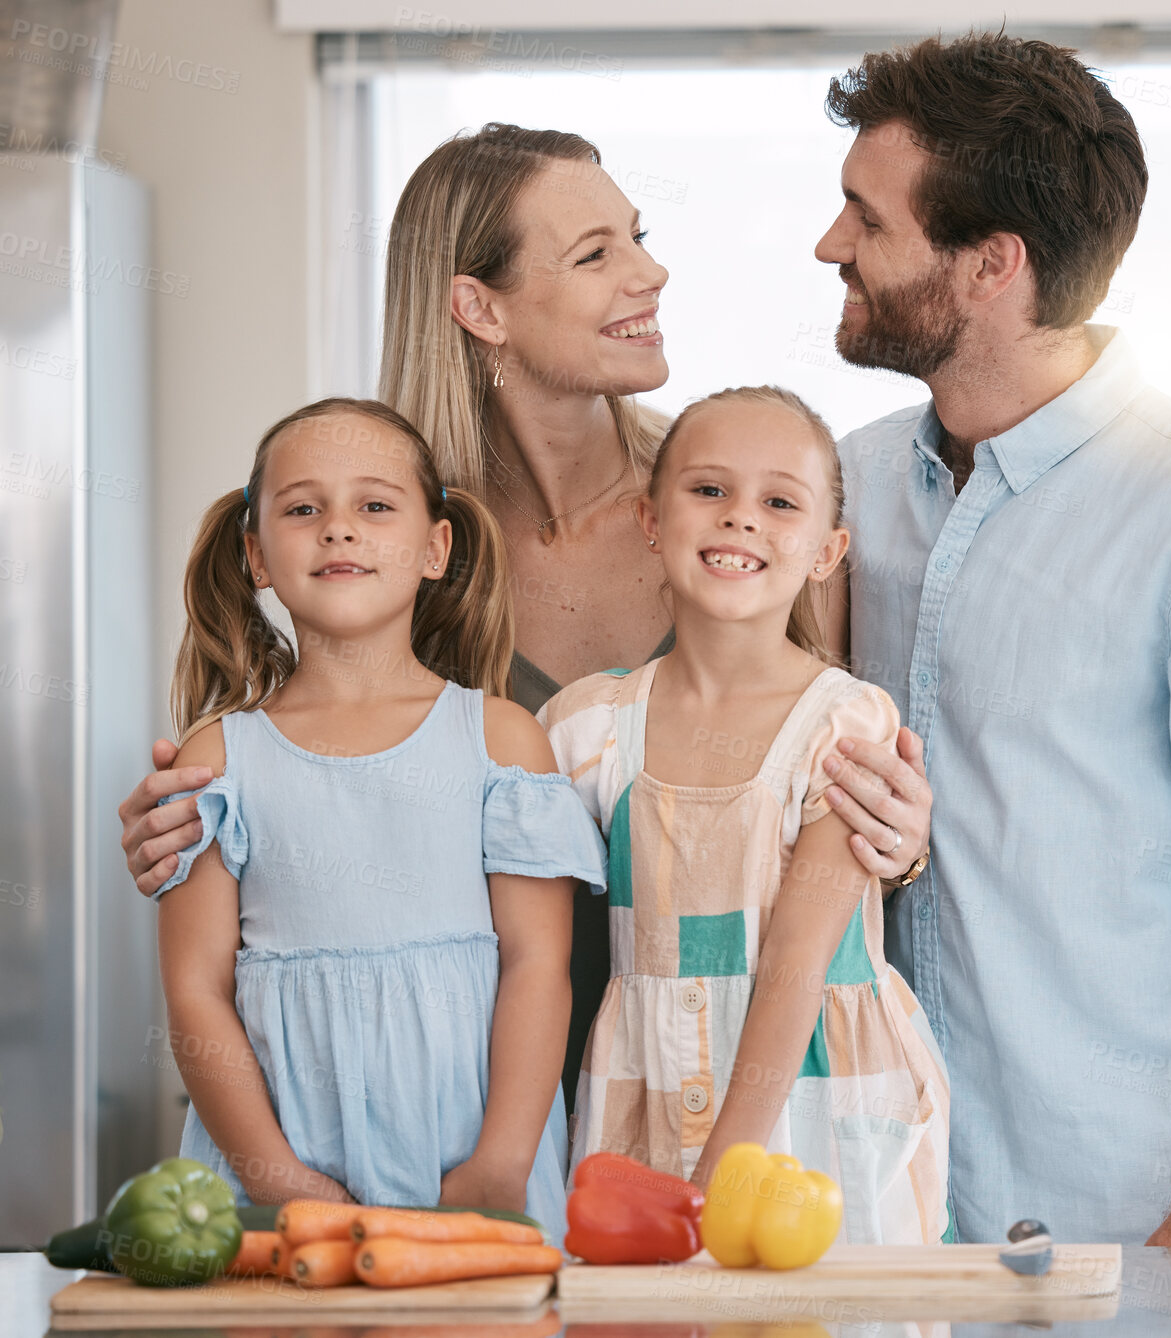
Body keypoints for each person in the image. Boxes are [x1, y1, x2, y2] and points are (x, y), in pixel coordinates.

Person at [119, 126, 935, 1109]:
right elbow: (315, 799)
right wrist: (196, 829)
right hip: (480, 1097)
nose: (653, 272)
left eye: (638, 236)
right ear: (478, 305)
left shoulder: (750, 518)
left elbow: (826, 776)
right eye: (598, 255)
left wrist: (897, 839)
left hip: (746, 1087)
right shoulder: (393, 547)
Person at [815, 32, 1171, 1245]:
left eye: (866, 221)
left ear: (991, 264)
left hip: (1118, 1236)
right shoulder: (846, 491)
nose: (832, 247)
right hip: (873, 1224)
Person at [149, 397, 607, 1244]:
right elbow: (195, 993)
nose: (338, 531)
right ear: (255, 553)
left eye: (375, 505)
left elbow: (538, 965)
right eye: (302, 508)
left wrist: (502, 1163)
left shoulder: (501, 739)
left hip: (475, 1166)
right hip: (276, 1181)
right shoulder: (218, 757)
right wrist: (276, 1177)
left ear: (436, 548)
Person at [540, 386, 949, 1245]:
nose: (740, 521)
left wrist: (721, 1173)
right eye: (709, 491)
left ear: (828, 550)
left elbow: (799, 962)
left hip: (818, 1099)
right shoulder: (584, 728)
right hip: (641, 1088)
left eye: (779, 502)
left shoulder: (845, 721)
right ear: (651, 519)